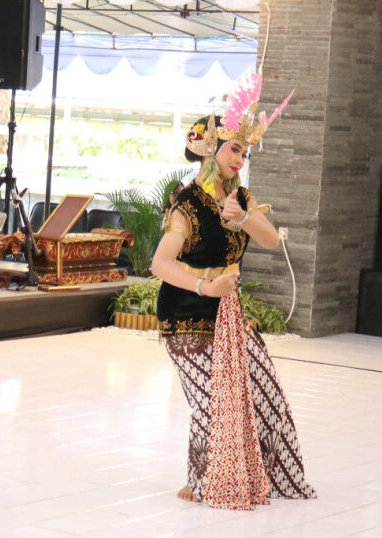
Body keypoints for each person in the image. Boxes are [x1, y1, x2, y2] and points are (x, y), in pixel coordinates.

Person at [151, 74, 316, 510]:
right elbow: (159, 264)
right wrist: (207, 284)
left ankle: (257, 474)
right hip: (185, 312)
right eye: (234, 148)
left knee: (265, 395)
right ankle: (203, 478)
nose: (240, 158)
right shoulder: (187, 203)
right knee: (212, 401)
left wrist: (242, 216)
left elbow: (270, 240)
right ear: (211, 148)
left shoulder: (240, 196)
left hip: (226, 313)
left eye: (245, 151)